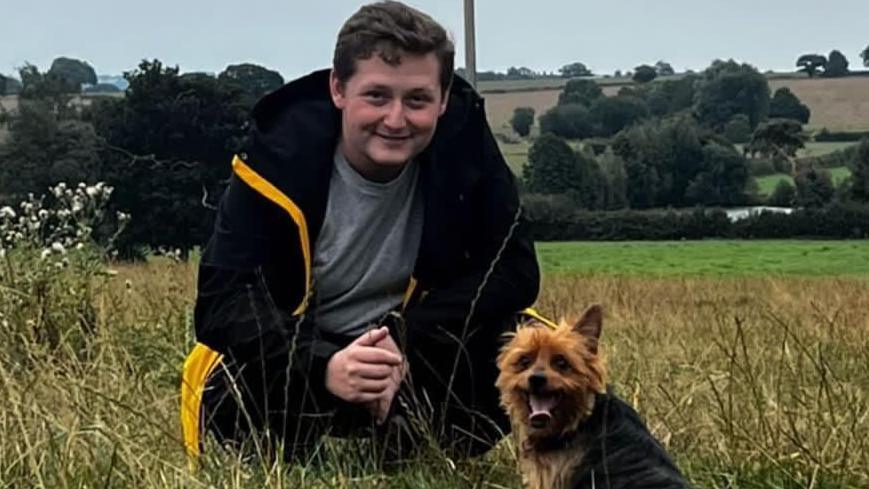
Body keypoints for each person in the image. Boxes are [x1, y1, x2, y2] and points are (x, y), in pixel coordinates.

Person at [180, 0, 540, 465]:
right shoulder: (273, 160)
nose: (395, 119)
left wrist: (403, 340)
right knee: (230, 373)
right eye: (376, 96)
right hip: (298, 357)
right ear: (337, 89)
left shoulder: (466, 148)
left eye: (417, 100)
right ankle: (276, 456)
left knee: (523, 341)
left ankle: (421, 458)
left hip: (411, 348)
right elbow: (222, 303)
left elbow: (514, 271)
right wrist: (322, 367)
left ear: (443, 100)